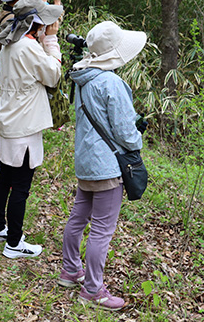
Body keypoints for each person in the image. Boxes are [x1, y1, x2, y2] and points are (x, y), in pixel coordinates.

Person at [59, 21, 146, 310]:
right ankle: (93, 289)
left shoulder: (82, 78)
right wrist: (137, 140)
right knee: (101, 231)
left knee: (78, 218)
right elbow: (124, 130)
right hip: (108, 166)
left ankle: (70, 270)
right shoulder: (111, 82)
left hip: (86, 161)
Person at [0, 0, 63, 258]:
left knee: (4, 178)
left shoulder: (10, 41)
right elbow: (53, 75)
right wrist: (51, 41)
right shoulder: (28, 47)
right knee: (21, 185)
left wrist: (42, 39)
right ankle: (14, 243)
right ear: (36, 23)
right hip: (25, 124)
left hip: (9, 119)